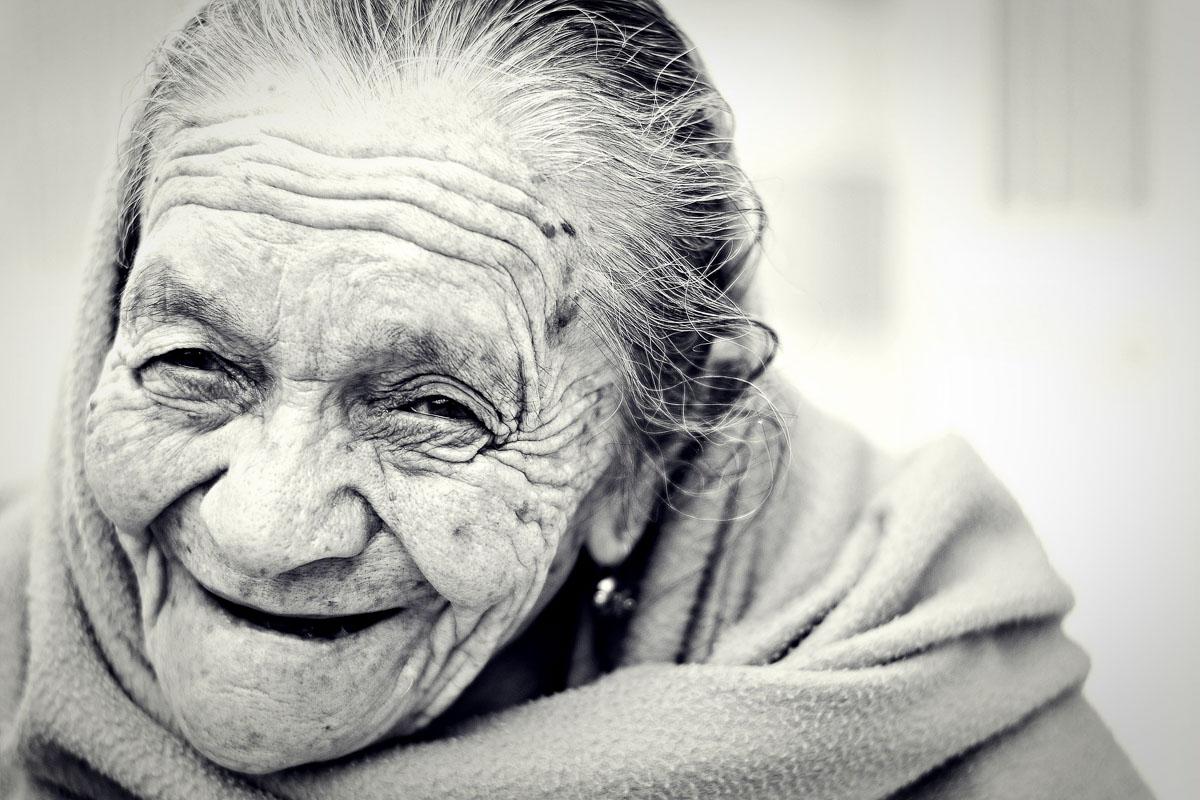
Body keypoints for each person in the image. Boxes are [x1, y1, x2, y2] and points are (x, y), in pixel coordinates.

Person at [0, 1, 1152, 797]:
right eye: (192, 363)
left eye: (436, 409)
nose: (263, 525)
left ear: (638, 465)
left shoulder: (925, 717)